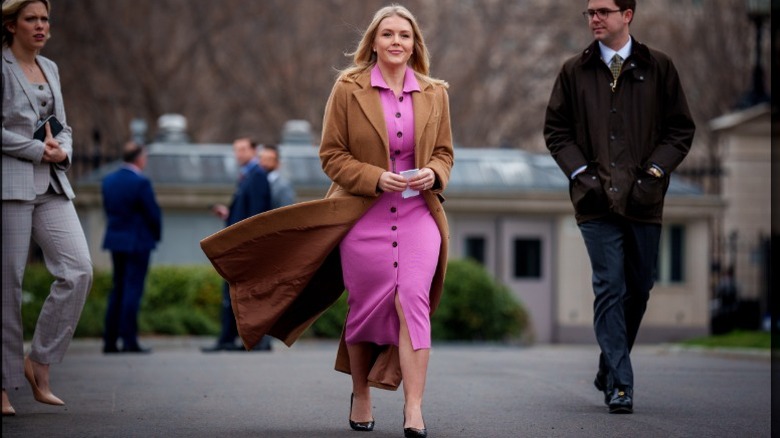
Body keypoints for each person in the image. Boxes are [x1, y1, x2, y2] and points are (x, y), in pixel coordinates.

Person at [200, 5, 452, 437]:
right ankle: (361, 392)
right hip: (362, 215)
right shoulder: (348, 87)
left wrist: (434, 172)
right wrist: (375, 178)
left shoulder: (435, 92)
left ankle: (414, 408)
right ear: (374, 42)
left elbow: (445, 152)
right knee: (366, 307)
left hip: (418, 215)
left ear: (415, 45)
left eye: (404, 35)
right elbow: (331, 155)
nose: (396, 42)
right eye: (388, 34)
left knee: (413, 299)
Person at [544, 0, 695, 414]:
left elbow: (680, 129)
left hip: (644, 199)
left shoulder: (659, 66)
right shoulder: (574, 70)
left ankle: (609, 362)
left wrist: (654, 173)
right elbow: (556, 131)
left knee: (639, 288)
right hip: (594, 201)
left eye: (603, 11)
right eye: (590, 12)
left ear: (627, 15)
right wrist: (582, 175)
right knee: (609, 286)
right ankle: (621, 385)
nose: (594, 18)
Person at [2, 0, 93, 415]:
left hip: (52, 184)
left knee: (79, 270)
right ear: (11, 25)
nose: (41, 26)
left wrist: (63, 150)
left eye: (44, 19)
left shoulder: (50, 68)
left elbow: (64, 126)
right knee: (8, 287)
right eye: (31, 19)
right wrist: (37, 149)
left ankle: (39, 361)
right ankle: (2, 385)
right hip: (12, 185)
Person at [201, 137, 273, 352]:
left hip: (246, 247)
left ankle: (240, 339)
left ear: (254, 150)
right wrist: (229, 214)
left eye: (242, 149)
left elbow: (257, 216)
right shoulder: (248, 175)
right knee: (235, 293)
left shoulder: (257, 175)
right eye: (236, 150)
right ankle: (232, 338)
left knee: (241, 293)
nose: (238, 154)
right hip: (240, 244)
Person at [101, 141, 161, 354]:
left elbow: (108, 210)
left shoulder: (108, 180)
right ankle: (129, 340)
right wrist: (155, 235)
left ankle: (110, 341)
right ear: (139, 158)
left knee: (117, 289)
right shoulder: (141, 182)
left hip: (116, 240)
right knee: (132, 290)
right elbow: (152, 213)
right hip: (137, 241)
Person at [258, 144, 296, 209]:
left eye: (269, 159)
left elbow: (287, 210)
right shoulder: (256, 182)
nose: (264, 163)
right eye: (262, 158)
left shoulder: (283, 186)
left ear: (277, 162)